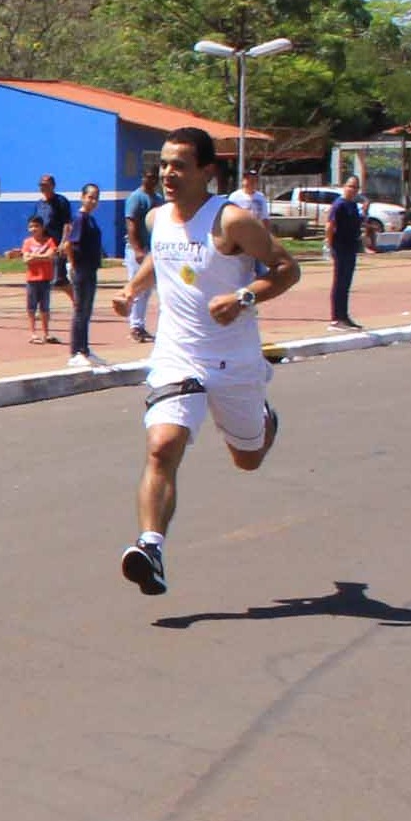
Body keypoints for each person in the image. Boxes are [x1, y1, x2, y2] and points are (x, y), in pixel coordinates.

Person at [111, 126, 301, 596]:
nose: (168, 173)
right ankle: (150, 547)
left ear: (206, 172)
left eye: (180, 165)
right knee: (162, 447)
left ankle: (262, 418)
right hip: (178, 355)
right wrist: (134, 289)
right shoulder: (158, 219)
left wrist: (243, 297)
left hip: (233, 361)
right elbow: (162, 256)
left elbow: (286, 268)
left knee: (248, 459)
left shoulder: (232, 221)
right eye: (164, 164)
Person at [63, 182, 105, 367]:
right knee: (80, 310)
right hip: (81, 269)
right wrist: (72, 266)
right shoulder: (80, 219)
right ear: (82, 197)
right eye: (90, 197)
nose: (93, 200)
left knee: (87, 310)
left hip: (91, 268)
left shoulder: (91, 219)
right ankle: (75, 352)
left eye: (96, 197)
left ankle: (85, 349)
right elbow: (69, 244)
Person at [123, 163, 161, 342]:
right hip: (137, 249)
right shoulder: (136, 198)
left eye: (155, 177)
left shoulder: (159, 198)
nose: (152, 180)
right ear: (143, 177)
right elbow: (131, 224)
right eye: (149, 176)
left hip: (153, 249)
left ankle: (140, 325)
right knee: (137, 288)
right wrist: (137, 248)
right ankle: (134, 326)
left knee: (147, 290)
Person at [326, 175, 365, 331]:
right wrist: (329, 245)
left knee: (346, 283)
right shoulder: (339, 204)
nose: (353, 190)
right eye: (350, 186)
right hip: (340, 247)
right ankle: (336, 318)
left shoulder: (353, 206)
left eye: (356, 187)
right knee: (340, 282)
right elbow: (330, 225)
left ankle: (344, 316)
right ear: (344, 187)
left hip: (351, 247)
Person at [16, 216, 58, 344]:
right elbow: (26, 259)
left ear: (42, 227)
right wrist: (40, 257)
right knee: (31, 307)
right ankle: (33, 333)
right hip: (32, 279)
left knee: (45, 308)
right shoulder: (27, 242)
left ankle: (46, 333)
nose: (33, 229)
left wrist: (35, 256)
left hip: (45, 279)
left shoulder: (49, 241)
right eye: (31, 227)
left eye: (36, 226)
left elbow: (50, 256)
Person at [31, 174, 73, 293]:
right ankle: (43, 307)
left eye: (45, 185)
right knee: (42, 278)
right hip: (43, 245)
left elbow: (67, 223)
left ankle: (76, 301)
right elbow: (35, 224)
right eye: (41, 185)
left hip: (57, 244)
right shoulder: (39, 204)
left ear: (53, 186)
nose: (43, 188)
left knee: (59, 279)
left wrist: (63, 242)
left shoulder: (61, 201)